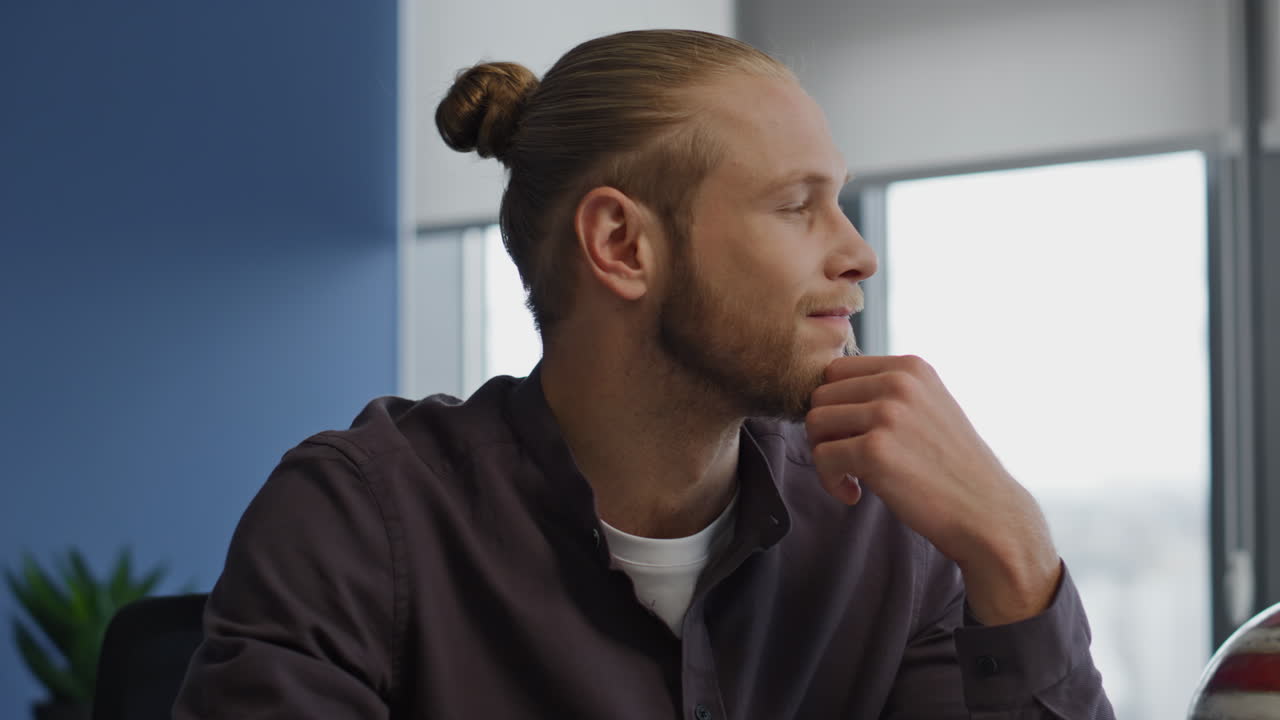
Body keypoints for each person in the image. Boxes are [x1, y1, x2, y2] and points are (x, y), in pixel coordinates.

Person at [174, 29, 1113, 719]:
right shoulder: (357, 523)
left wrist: (1011, 545)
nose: (859, 253)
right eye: (798, 207)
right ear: (621, 243)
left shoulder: (887, 537)